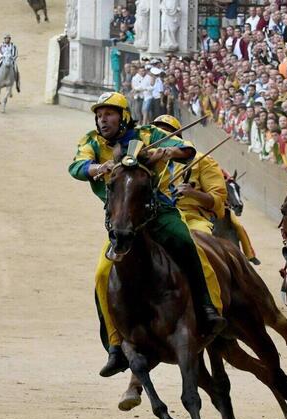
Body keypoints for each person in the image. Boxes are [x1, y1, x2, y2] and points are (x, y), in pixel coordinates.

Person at [68, 92, 226, 377]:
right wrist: (96, 168)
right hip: (121, 222)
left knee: (186, 243)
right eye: (100, 115)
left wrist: (167, 152)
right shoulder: (91, 141)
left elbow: (187, 149)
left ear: (124, 116)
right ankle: (116, 346)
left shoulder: (149, 133)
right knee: (103, 274)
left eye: (110, 114)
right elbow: (76, 166)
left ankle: (206, 307)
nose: (103, 120)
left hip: (159, 213)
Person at [151, 115, 229, 234]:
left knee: (199, 244)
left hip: (191, 219)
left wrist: (193, 193)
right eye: (158, 133)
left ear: (177, 138)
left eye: (166, 134)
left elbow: (218, 202)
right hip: (152, 217)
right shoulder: (145, 160)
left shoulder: (203, 160)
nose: (161, 139)